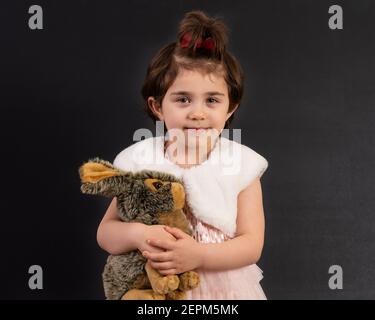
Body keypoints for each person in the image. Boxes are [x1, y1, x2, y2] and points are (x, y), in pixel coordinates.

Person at [96, 10, 269, 299]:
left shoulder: (241, 165)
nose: (197, 113)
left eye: (212, 100)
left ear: (230, 108)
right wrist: (138, 235)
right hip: (156, 286)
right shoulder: (141, 163)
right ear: (158, 107)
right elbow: (106, 233)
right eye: (183, 99)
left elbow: (252, 244)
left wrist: (198, 255)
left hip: (220, 286)